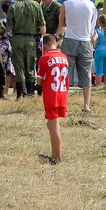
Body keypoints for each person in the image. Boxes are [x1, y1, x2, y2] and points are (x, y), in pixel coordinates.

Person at [59, 0, 96, 110]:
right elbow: (92, 27)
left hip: (69, 40)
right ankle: (86, 105)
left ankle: (64, 103)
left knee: (66, 73)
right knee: (86, 74)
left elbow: (61, 25)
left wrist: (55, 36)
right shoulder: (91, 5)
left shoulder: (66, 4)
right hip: (85, 41)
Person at [7, 0, 45, 99]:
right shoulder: (36, 6)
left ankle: (20, 93)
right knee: (31, 66)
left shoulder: (13, 7)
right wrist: (42, 41)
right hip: (32, 39)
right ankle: (30, 92)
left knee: (19, 66)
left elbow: (9, 27)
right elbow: (42, 25)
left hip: (17, 38)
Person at [39, 35, 69, 164]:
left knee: (54, 125)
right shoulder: (64, 57)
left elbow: (39, 80)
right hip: (62, 93)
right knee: (51, 124)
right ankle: (55, 153)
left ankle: (56, 157)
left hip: (51, 94)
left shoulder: (44, 58)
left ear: (44, 46)